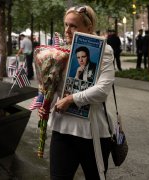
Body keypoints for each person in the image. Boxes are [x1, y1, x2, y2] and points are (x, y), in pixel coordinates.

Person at [38, 5, 115, 180]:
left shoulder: (104, 50)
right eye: (65, 25)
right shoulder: (59, 53)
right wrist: (46, 105)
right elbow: (53, 89)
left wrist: (71, 99)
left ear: (89, 27)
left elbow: (102, 90)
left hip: (92, 132)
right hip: (62, 130)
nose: (67, 30)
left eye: (73, 26)